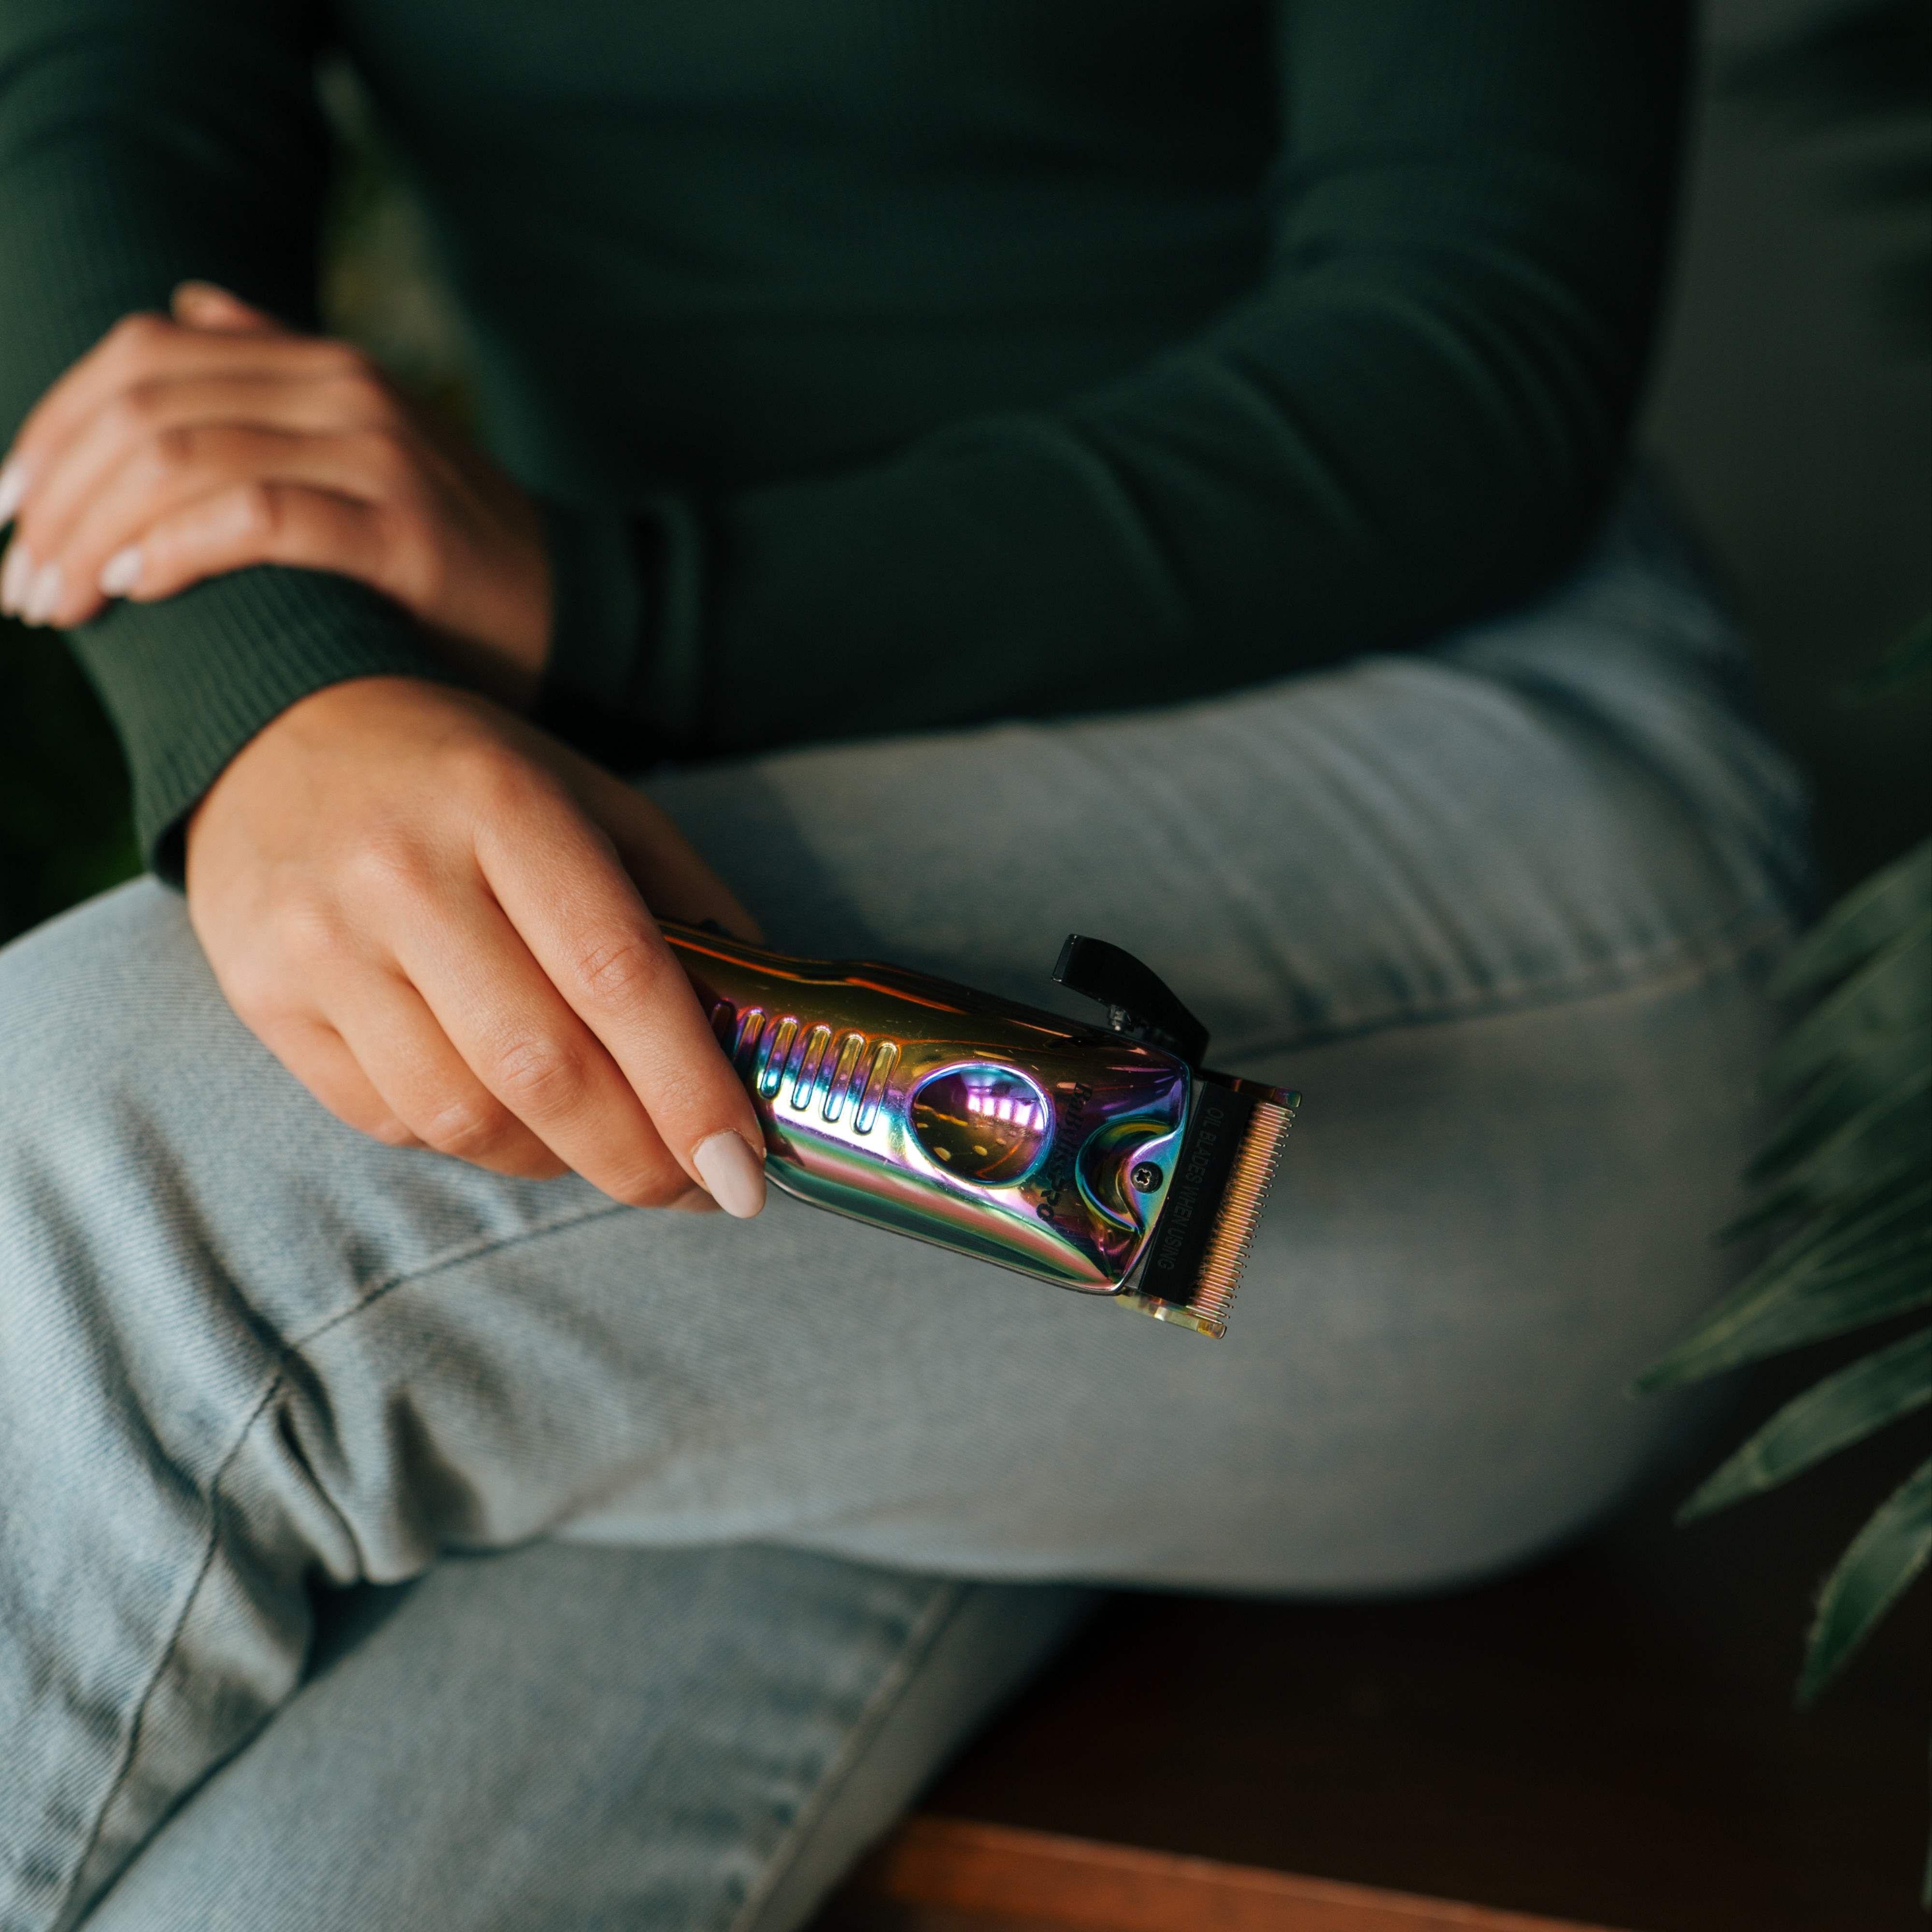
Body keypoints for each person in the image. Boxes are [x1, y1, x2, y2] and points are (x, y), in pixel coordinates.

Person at [0, 2, 1808, 1927]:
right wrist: (278, 699)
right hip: (718, 834)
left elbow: (1470, 360)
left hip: (1462, 828)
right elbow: (102, 113)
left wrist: (604, 599)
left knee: (106, 1129)